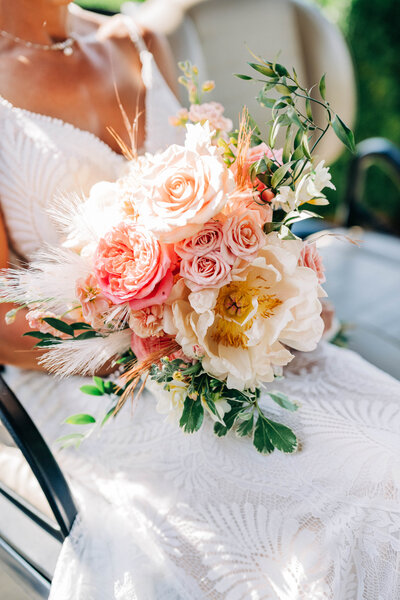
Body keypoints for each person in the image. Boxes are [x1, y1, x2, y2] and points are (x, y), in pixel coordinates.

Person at [1, 2, 400, 599]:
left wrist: (275, 288)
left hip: (236, 343)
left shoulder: (140, 39)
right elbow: (6, 324)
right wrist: (165, 331)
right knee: (339, 524)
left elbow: (216, 192)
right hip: (97, 381)